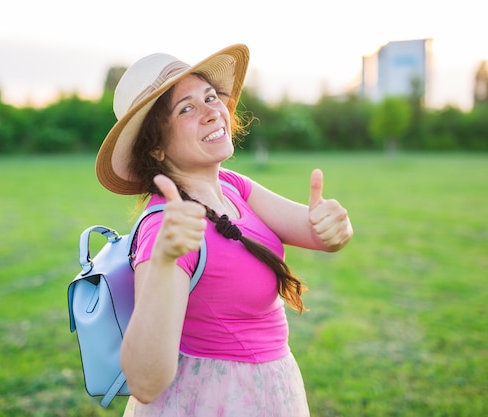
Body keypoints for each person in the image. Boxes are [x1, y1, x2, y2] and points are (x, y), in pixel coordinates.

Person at [95, 44, 353, 417]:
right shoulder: (166, 229)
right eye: (186, 108)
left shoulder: (233, 186)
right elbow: (145, 383)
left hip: (269, 390)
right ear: (156, 149)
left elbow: (319, 234)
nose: (211, 112)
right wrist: (165, 261)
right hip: (214, 400)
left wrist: (336, 223)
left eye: (210, 97)